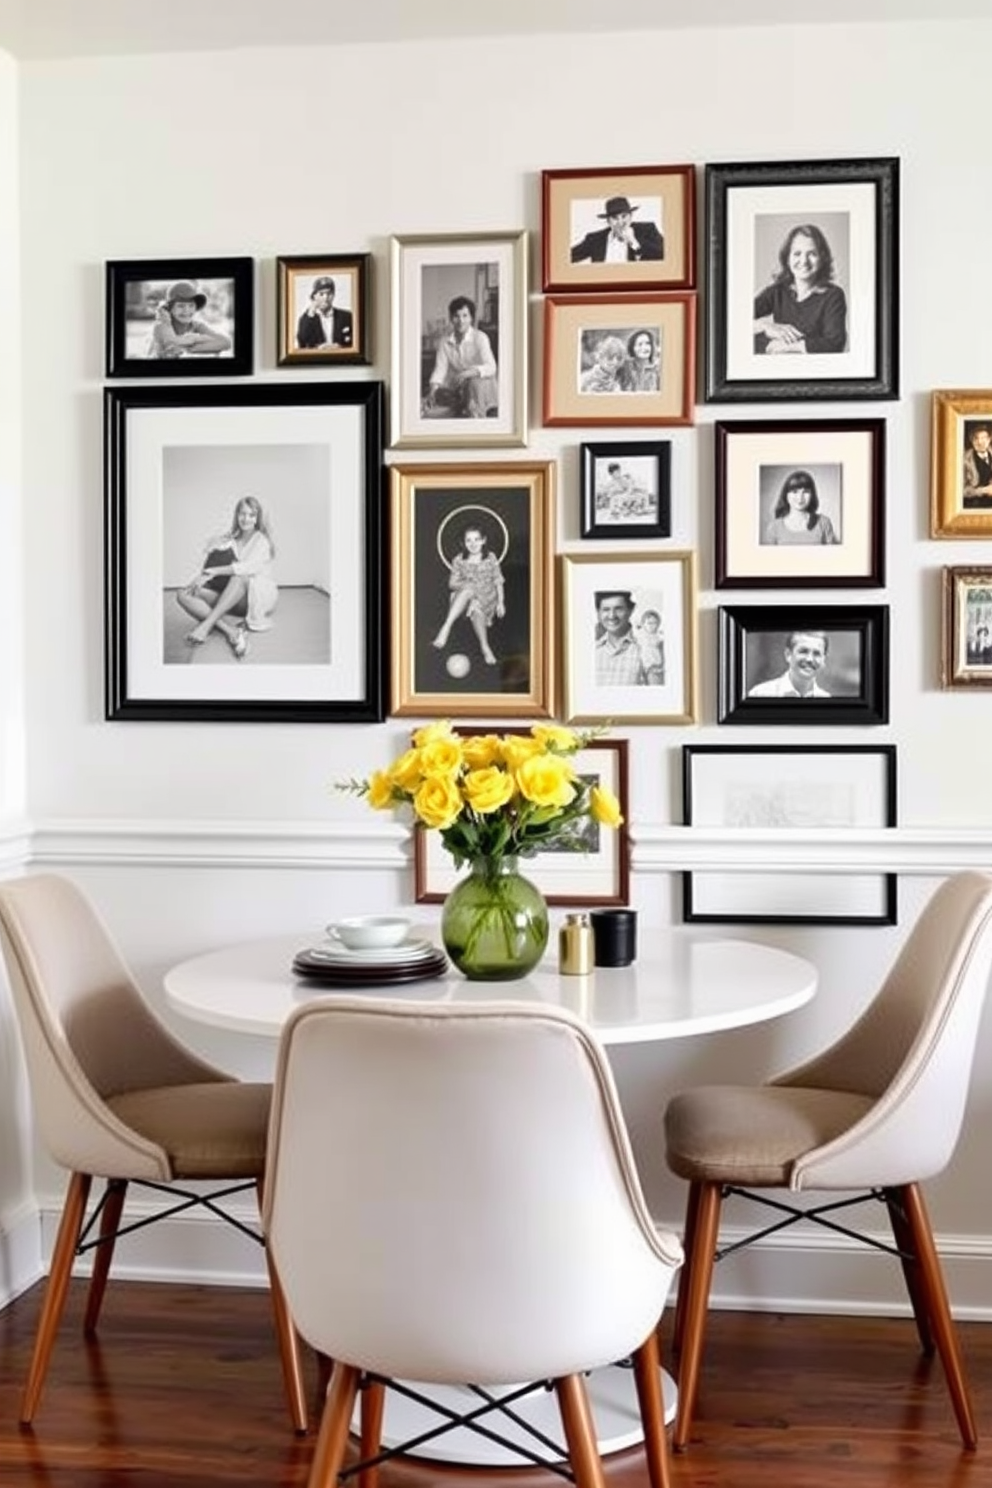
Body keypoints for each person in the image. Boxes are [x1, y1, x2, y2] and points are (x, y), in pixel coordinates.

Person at [176, 497, 277, 661]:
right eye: (242, 514)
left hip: (252, 598)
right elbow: (209, 557)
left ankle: (206, 626)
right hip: (229, 597)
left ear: (257, 518)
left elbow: (246, 569)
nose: (246, 519)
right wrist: (201, 575)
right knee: (184, 594)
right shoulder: (231, 539)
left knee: (240, 577)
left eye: (252, 515)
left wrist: (212, 571)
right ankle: (231, 631)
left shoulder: (261, 541)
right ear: (236, 515)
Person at [753, 223, 847, 355]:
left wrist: (790, 347)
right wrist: (765, 327)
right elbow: (736, 319)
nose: (804, 261)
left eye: (812, 254)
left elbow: (835, 343)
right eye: (797, 254)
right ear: (787, 259)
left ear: (822, 258)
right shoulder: (777, 291)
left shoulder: (833, 295)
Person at [432, 526, 505, 666]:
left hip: (487, 599)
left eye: (477, 539)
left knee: (476, 606)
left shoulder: (490, 557)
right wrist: (469, 585)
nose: (473, 544)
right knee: (468, 589)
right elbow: (452, 583)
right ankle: (446, 627)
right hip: (464, 599)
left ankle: (485, 647)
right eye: (468, 540)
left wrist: (501, 602)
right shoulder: (459, 560)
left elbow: (498, 580)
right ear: (464, 543)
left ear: (484, 540)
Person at [422, 296, 498, 418]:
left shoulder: (480, 337)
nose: (460, 320)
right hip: (461, 388)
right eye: (456, 316)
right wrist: (432, 392)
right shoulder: (444, 342)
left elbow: (492, 367)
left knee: (473, 385)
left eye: (465, 316)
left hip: (483, 387)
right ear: (451, 318)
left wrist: (468, 373)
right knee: (436, 395)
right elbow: (439, 370)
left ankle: (473, 413)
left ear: (471, 318)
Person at [146, 280, 232, 359]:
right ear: (170, 308)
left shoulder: (196, 325)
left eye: (191, 305)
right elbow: (172, 345)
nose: (187, 311)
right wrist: (200, 340)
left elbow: (226, 342)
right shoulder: (161, 325)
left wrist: (192, 341)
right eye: (181, 306)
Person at [570, 195, 664, 264]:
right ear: (608, 221)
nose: (620, 222)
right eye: (615, 218)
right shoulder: (594, 239)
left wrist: (634, 242)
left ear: (631, 216)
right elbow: (567, 257)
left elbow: (666, 256)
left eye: (624, 216)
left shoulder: (648, 230)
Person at [763, 469, 839, 545]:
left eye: (805, 492)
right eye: (794, 492)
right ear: (786, 496)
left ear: (812, 495)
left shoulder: (824, 523)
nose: (800, 497)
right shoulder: (774, 528)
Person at [748, 631, 831, 698]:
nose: (809, 659)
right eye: (803, 651)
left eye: (816, 654)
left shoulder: (827, 699)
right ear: (788, 655)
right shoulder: (760, 694)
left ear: (824, 659)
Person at [594, 590, 647, 686]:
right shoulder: (593, 650)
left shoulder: (645, 648)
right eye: (606, 609)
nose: (612, 616)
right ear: (598, 613)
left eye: (618, 609)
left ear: (630, 611)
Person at [296, 275, 353, 351]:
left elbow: (356, 343)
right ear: (314, 296)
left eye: (329, 294)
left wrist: (340, 348)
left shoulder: (347, 317)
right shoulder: (306, 319)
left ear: (333, 295)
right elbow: (302, 343)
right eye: (321, 294)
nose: (325, 298)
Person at [963, 425, 992, 509]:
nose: (980, 442)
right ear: (972, 441)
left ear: (989, 439)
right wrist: (984, 490)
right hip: (975, 505)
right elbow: (960, 491)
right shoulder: (964, 460)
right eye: (976, 438)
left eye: (983, 438)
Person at [636, 609, 665, 685]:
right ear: (643, 624)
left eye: (655, 623)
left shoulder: (659, 637)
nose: (652, 626)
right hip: (648, 668)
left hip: (659, 667)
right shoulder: (641, 638)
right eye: (649, 623)